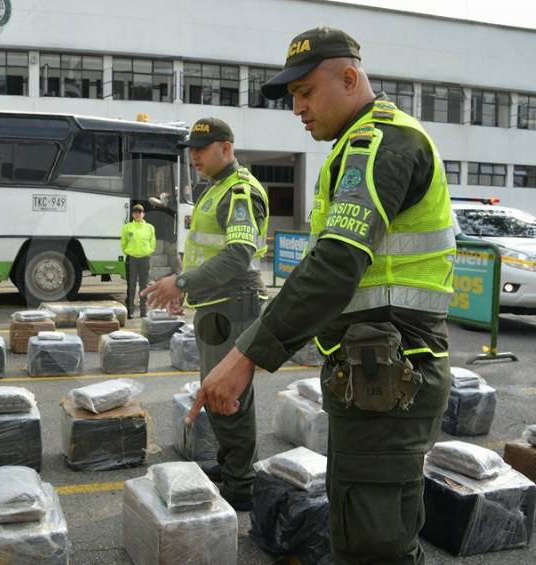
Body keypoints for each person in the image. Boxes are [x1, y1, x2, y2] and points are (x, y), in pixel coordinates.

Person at [187, 27, 455, 564]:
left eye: (306, 93)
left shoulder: (378, 144)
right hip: (375, 373)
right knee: (370, 531)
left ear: (349, 78)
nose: (298, 109)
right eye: (293, 98)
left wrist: (246, 357)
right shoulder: (355, 148)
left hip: (390, 372)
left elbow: (336, 265)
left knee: (374, 545)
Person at [142, 117, 269, 510]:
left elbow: (238, 255)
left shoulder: (240, 191)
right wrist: (191, 290)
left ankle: (242, 482)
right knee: (216, 391)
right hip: (216, 307)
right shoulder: (215, 189)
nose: (194, 155)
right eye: (192, 149)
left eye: (203, 147)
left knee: (229, 396)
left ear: (226, 148)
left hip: (234, 307)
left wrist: (181, 283)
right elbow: (209, 252)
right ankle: (232, 466)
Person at [121, 203, 156, 318]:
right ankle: (130, 310)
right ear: (132, 214)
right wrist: (128, 251)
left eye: (140, 212)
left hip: (145, 259)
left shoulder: (150, 227)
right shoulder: (127, 227)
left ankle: (143, 311)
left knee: (143, 286)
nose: (137, 214)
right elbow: (123, 242)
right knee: (131, 285)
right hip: (132, 259)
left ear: (143, 214)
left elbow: (153, 243)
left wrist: (148, 251)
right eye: (135, 212)